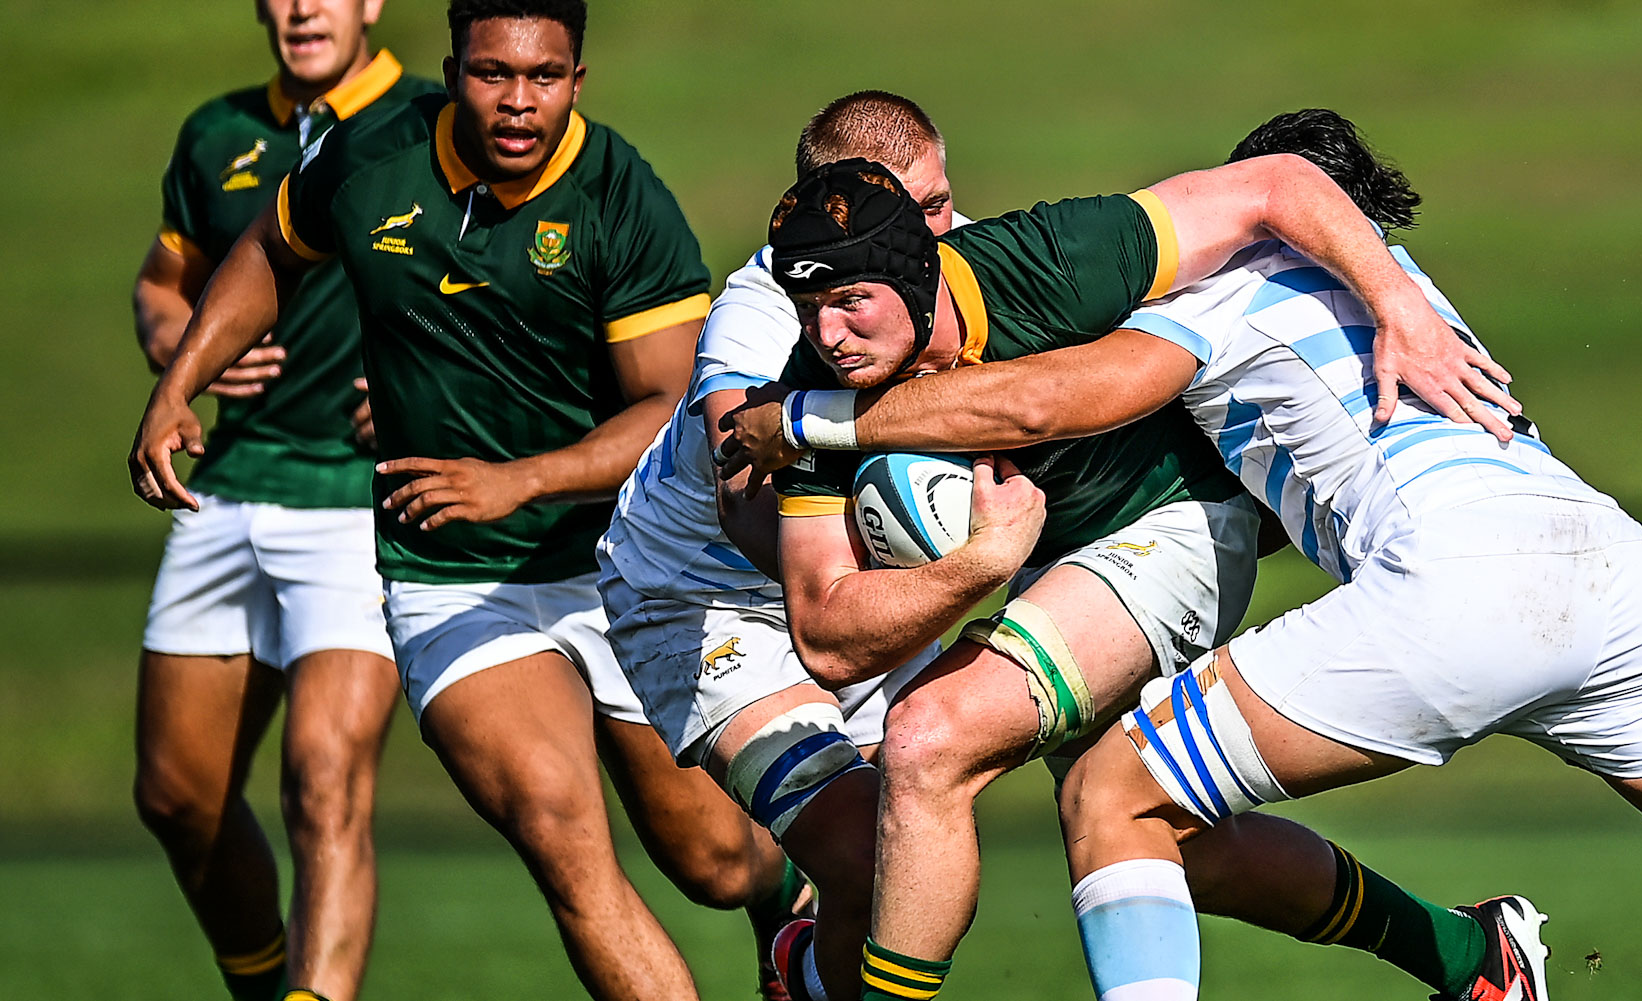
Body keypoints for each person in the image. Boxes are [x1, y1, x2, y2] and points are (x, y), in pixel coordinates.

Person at [723, 109, 1642, 1001]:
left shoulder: (1220, 290)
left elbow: (1054, 400)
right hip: (1613, 576)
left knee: (1111, 793)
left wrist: (813, 421)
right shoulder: (1415, 292)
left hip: (1458, 592)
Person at [731, 146, 1530, 1001]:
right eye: (807, 308)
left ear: (916, 272)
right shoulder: (807, 388)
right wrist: (981, 562)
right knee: (1153, 834)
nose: (828, 334)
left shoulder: (1051, 258)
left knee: (928, 738)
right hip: (1048, 563)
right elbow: (828, 636)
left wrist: (1403, 308)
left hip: (1175, 523)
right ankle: (1474, 955)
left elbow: (1276, 182)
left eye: (850, 300)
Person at [129, 3, 803, 999]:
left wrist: (517, 479)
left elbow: (670, 407)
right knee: (557, 828)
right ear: (452, 73)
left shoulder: (622, 197)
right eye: (493, 74)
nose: (518, 101)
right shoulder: (370, 156)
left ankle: (786, 903)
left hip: (618, 563)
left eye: (544, 76)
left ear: (577, 80)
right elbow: (271, 249)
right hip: (451, 578)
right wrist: (179, 381)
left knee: (714, 860)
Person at [599, 90, 966, 1001]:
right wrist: (917, 581)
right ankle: (802, 965)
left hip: (858, 578)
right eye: (912, 212)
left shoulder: (955, 259)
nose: (937, 232)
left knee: (906, 864)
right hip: (704, 597)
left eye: (940, 202)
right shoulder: (758, 322)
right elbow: (744, 498)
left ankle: (803, 970)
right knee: (863, 856)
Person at [132, 3, 433, 999]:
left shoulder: (432, 125)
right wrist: (182, 348)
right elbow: (163, 283)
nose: (305, 6)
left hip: (356, 505)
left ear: (372, 2)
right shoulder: (217, 132)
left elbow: (510, 286)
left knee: (323, 782)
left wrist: (432, 383)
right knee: (176, 797)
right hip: (222, 486)